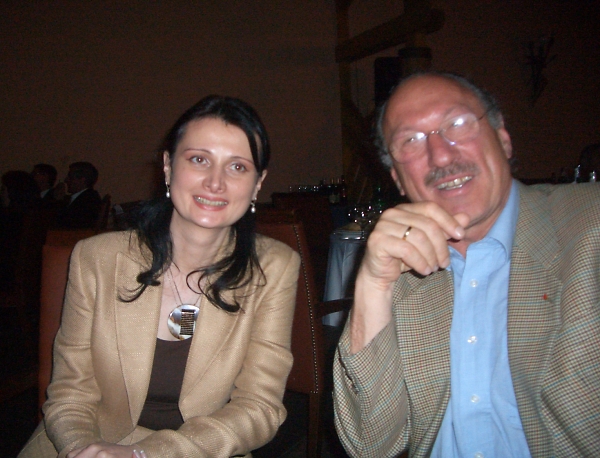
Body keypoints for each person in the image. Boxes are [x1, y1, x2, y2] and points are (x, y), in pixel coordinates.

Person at [333, 72, 600, 457]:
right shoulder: (401, 274)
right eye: (410, 141)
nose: (440, 155)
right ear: (398, 180)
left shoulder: (590, 227)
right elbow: (371, 445)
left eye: (457, 124)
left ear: (503, 139)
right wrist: (373, 285)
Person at [19, 95, 300, 457]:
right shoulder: (97, 259)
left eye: (237, 167)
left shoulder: (274, 268)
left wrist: (147, 454)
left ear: (258, 183)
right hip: (88, 439)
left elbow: (259, 407)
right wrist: (83, 449)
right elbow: (70, 393)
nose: (215, 182)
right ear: (168, 166)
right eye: (199, 159)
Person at [55, 161, 102, 228]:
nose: (66, 180)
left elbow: (65, 224)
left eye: (70, 177)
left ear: (82, 180)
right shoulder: (87, 198)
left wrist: (58, 202)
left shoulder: (88, 201)